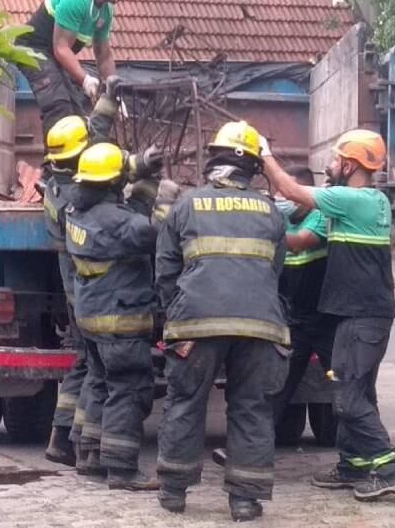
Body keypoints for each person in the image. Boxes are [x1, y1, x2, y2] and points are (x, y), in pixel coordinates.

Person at [261, 129, 395, 501]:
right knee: (354, 390)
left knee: (348, 396)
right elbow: (295, 207)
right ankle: (353, 465)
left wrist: (264, 154)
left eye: (334, 160)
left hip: (362, 316)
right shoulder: (361, 201)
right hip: (356, 314)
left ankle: (390, 467)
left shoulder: (354, 199)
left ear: (349, 165)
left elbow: (294, 191)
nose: (329, 166)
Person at [153, 121, 291, 522]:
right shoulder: (270, 211)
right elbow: (275, 270)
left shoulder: (186, 205)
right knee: (252, 409)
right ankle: (245, 500)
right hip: (261, 326)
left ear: (213, 159)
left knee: (185, 403)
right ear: (252, 168)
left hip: (196, 325)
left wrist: (176, 310)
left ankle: (174, 492)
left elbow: (165, 269)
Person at [65, 142, 171, 491]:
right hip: (120, 320)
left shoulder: (75, 210)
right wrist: (167, 205)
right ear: (113, 184)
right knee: (130, 389)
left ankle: (89, 455)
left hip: (91, 318)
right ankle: (122, 469)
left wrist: (144, 168)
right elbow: (157, 234)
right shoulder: (123, 224)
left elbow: (130, 204)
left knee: (99, 382)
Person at [212, 165, 331, 467]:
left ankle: (361, 453)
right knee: (276, 389)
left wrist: (262, 225)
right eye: (278, 194)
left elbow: (299, 241)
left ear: (304, 194)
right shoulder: (279, 218)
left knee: (344, 383)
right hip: (293, 320)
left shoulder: (320, 217)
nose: (281, 198)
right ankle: (243, 453)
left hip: (325, 318)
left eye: (288, 193)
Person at [42, 88, 123, 467]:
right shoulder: (77, 193)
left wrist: (107, 100)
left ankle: (62, 437)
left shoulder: (56, 182)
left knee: (83, 361)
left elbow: (95, 132)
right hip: (85, 290)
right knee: (93, 365)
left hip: (74, 287)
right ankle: (78, 440)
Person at [18, 0, 139, 134]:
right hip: (33, 49)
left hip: (53, 58)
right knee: (59, 107)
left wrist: (115, 93)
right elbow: (61, 49)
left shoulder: (105, 12)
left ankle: (75, 161)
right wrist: (85, 80)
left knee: (76, 116)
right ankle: (53, 162)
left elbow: (104, 56)